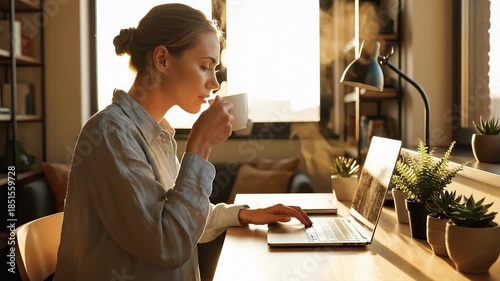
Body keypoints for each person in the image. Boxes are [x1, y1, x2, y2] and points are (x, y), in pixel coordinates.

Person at [53, 4, 312, 281]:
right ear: (162, 60)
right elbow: (168, 243)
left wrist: (245, 215)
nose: (214, 83)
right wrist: (200, 146)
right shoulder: (110, 134)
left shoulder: (157, 131)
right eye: (205, 66)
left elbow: (180, 214)